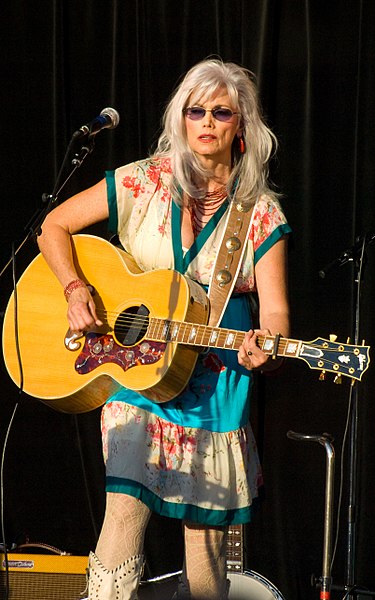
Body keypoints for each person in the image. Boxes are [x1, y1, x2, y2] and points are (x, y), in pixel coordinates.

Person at [37, 58, 291, 599]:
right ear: (180, 118)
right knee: (122, 518)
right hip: (137, 371)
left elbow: (275, 314)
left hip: (214, 385)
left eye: (220, 112)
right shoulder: (144, 180)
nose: (206, 122)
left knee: (205, 551)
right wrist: (74, 288)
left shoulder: (260, 214)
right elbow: (52, 226)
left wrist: (262, 347)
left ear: (240, 125)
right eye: (195, 110)